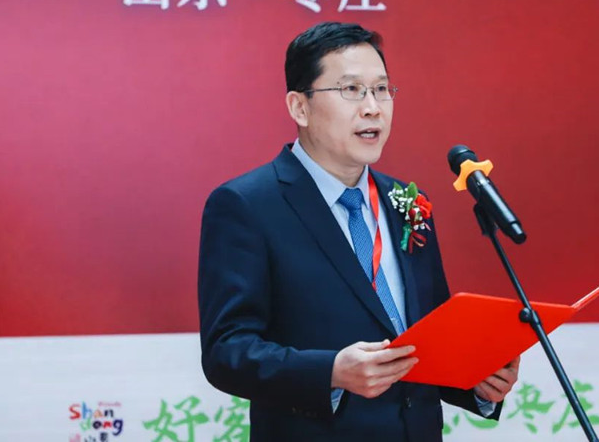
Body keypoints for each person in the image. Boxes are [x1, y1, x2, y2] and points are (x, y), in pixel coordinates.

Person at [198, 22, 519, 441]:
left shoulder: (407, 202)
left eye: (382, 89)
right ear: (299, 107)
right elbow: (227, 351)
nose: (373, 108)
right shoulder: (247, 205)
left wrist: (476, 381)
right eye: (351, 90)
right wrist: (331, 372)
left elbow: (429, 339)